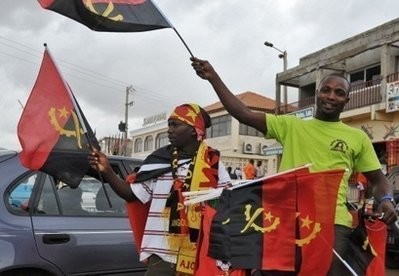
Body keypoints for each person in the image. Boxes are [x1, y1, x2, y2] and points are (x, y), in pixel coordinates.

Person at [190, 57, 397, 275]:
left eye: (339, 93)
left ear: (346, 100)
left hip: (332, 226)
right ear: (316, 94)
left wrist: (386, 200)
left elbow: (378, 180)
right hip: (284, 222)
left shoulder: (357, 137)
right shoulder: (290, 125)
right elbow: (243, 114)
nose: (331, 96)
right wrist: (213, 78)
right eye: (326, 90)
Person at [89, 103, 231, 276]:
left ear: (194, 130)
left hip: (198, 254)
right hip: (161, 255)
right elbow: (130, 195)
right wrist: (108, 171)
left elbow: (227, 206)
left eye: (175, 125)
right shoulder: (158, 161)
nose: (169, 130)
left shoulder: (213, 164)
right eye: (169, 125)